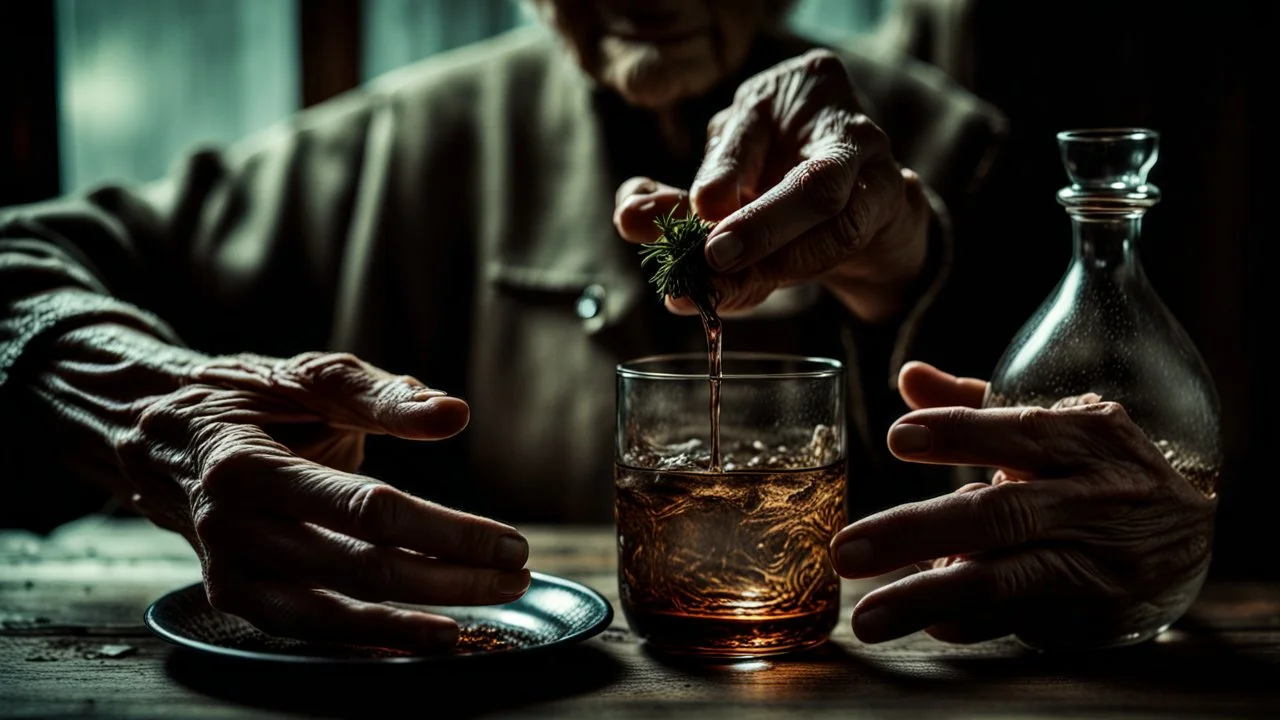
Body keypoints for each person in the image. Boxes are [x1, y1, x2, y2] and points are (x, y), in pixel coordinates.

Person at [0, 0, 1215, 652]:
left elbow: (1168, 496)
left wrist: (1151, 553)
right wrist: (145, 400)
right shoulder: (396, 145)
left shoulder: (956, 146)